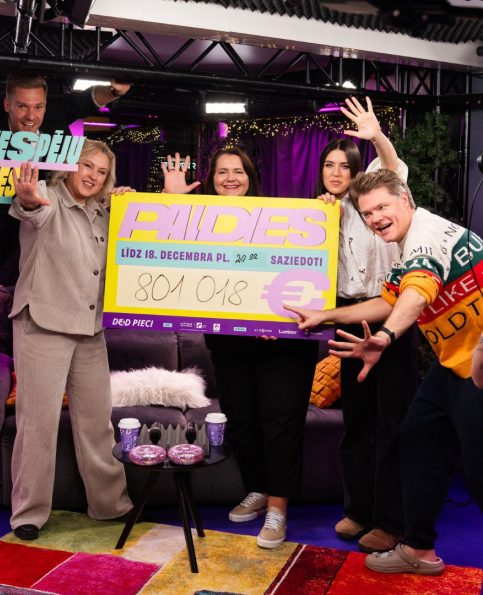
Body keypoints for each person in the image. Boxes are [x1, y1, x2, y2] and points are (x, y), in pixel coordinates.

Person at [288, 169, 483, 576]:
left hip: (478, 361)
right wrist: (326, 315)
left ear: (405, 200)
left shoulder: (425, 236)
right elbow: (388, 300)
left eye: (382, 207)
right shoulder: (405, 244)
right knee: (418, 440)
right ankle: (418, 549)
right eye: (368, 213)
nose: (375, 218)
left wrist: (386, 336)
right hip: (454, 361)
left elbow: (416, 293)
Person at [163, 147, 318, 549]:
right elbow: (165, 248)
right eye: (222, 172)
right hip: (229, 341)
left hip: (281, 344)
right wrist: (171, 201)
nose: (230, 178)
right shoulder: (199, 222)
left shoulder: (280, 218)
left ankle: (278, 509)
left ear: (251, 177)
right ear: (211, 180)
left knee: (279, 424)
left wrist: (276, 321)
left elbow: (306, 269)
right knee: (242, 422)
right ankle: (259, 489)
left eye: (238, 171)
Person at [0, 70, 131, 395]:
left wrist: (114, 90)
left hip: (44, 214)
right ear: (7, 105)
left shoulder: (55, 113)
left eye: (38, 107)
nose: (31, 115)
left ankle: (55, 366)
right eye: (22, 106)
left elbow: (88, 99)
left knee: (53, 279)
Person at [6, 140, 133, 540]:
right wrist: (27, 198)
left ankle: (110, 505)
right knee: (37, 424)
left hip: (90, 329)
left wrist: (135, 205)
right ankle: (28, 514)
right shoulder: (47, 195)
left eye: (101, 171)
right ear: (69, 166)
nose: (93, 175)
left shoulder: (104, 211)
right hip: (43, 323)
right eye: (87, 166)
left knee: (97, 423)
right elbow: (30, 208)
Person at [313, 97, 419, 553]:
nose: (336, 172)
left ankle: (392, 521)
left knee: (393, 420)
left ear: (358, 169)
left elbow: (393, 170)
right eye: (329, 165)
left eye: (345, 165)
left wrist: (376, 136)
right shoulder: (320, 213)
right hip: (348, 315)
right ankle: (358, 510)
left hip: (393, 314)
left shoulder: (375, 203)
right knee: (355, 421)